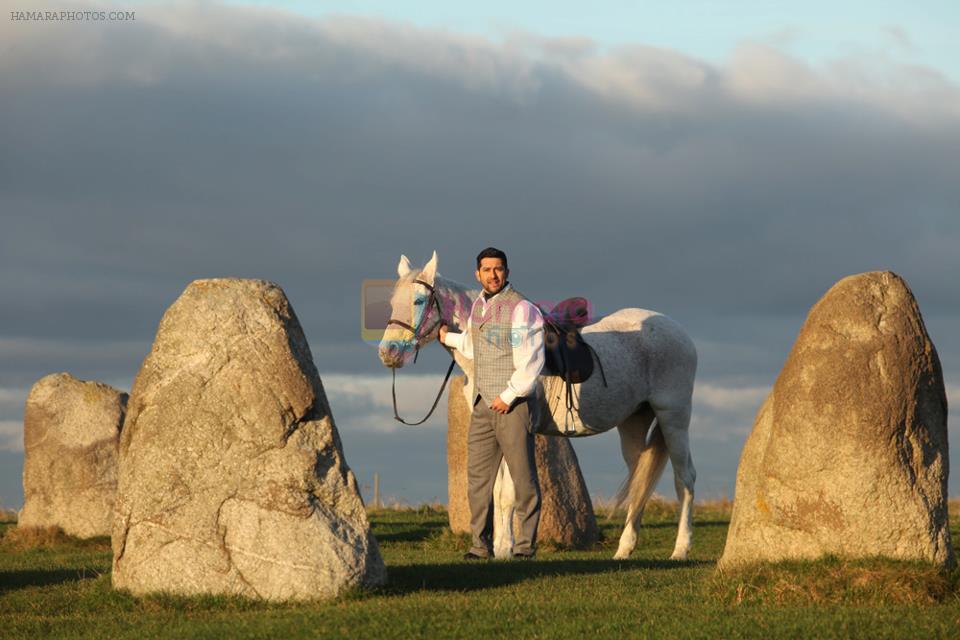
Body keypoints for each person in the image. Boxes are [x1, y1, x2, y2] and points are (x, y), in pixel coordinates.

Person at [439, 247, 545, 560]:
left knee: (523, 479)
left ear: (507, 272)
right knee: (478, 481)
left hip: (511, 405)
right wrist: (447, 337)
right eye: (487, 270)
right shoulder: (478, 308)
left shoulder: (522, 308)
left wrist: (508, 396)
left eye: (498, 269)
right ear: (478, 274)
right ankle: (479, 547)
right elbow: (474, 344)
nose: (493, 275)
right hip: (482, 404)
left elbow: (533, 360)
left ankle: (525, 548)